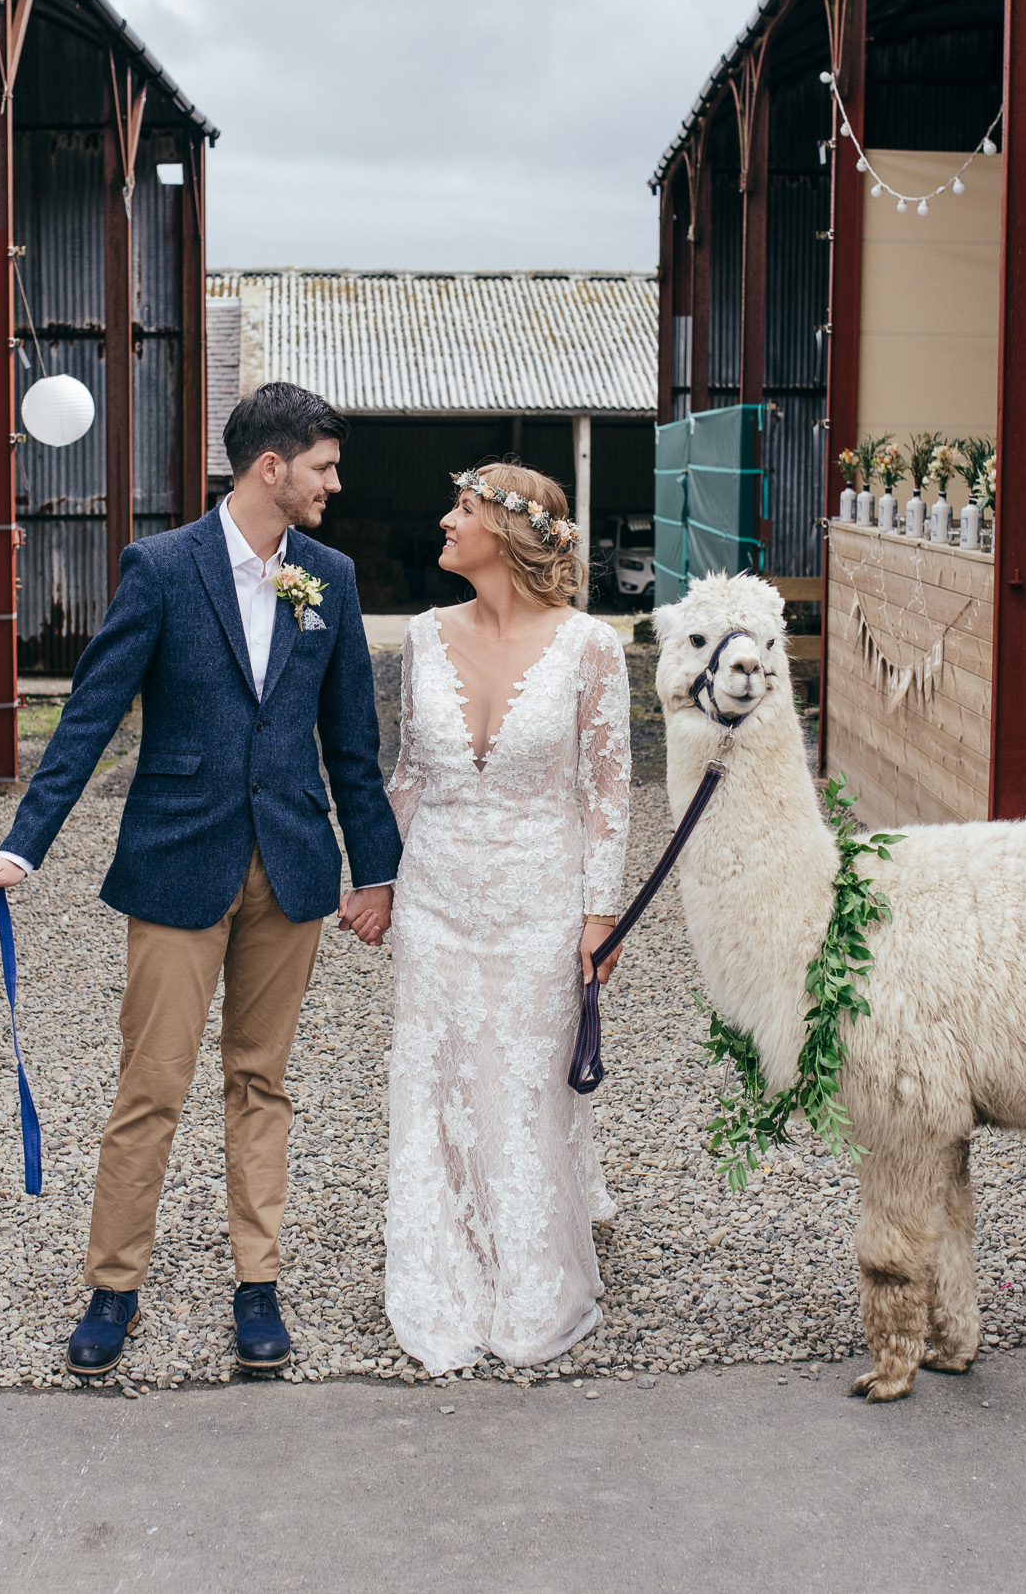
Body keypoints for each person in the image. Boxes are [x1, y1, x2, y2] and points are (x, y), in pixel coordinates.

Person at [0, 382, 401, 1377]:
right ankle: (112, 1287)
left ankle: (259, 1286)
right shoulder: (161, 569)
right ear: (271, 469)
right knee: (150, 1087)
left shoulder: (326, 575)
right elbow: (89, 716)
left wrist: (375, 871)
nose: (337, 484)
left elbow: (354, 747)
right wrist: (24, 847)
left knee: (261, 1085)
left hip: (293, 868)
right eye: (326, 467)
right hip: (175, 864)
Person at [376, 463, 632, 1372]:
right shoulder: (421, 636)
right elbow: (406, 772)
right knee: (440, 1077)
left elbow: (606, 794)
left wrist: (600, 916)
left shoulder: (591, 649)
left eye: (465, 510)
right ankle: (444, 1264)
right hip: (438, 896)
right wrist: (375, 880)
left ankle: (530, 1270)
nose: (445, 521)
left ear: (512, 533)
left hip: (542, 900)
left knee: (526, 1082)